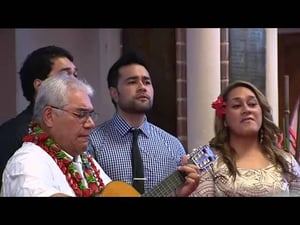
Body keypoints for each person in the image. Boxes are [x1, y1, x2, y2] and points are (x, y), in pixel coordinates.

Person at [1, 74, 200, 197]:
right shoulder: (28, 163)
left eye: (91, 114)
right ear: (50, 116)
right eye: (80, 114)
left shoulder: (86, 162)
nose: (91, 124)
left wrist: (174, 194)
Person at [87, 51, 193, 195]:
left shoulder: (173, 146)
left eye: (147, 82)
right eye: (132, 82)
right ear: (114, 93)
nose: (142, 87)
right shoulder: (92, 142)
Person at [190, 80, 300, 197]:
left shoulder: (285, 161)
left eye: (252, 104)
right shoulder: (206, 161)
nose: (247, 110)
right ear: (224, 117)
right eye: (237, 105)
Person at [0, 45, 77, 189]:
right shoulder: (13, 134)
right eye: (66, 75)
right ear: (39, 85)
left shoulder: (74, 130)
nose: (75, 82)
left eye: (75, 75)